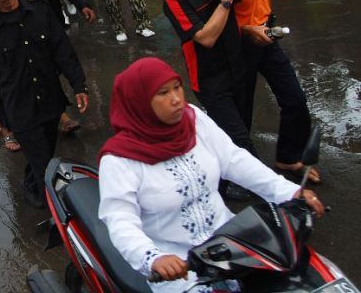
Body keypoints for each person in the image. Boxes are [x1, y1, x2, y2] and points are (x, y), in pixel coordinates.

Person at [98, 57, 324, 290]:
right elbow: (120, 220)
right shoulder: (118, 160)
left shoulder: (193, 120)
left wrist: (289, 191)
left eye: (177, 87)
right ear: (140, 102)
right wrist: (153, 258)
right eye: (163, 93)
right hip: (178, 268)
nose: (176, 99)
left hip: (232, 245)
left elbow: (234, 160)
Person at [0, 0, 88, 208]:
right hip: (19, 109)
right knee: (47, 166)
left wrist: (79, 84)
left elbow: (63, 51)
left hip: (50, 102)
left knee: (43, 155)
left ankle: (32, 183)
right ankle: (54, 214)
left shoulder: (41, 11)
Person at [159, 0, 261, 200]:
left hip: (238, 67)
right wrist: (225, 1)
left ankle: (222, 184)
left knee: (235, 132)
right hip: (210, 80)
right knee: (241, 139)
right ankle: (267, 193)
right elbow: (205, 38)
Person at [221, 0, 318, 182]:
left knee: (295, 100)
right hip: (238, 46)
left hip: (268, 38)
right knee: (242, 110)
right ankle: (238, 170)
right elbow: (213, 16)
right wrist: (246, 30)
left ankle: (288, 158)